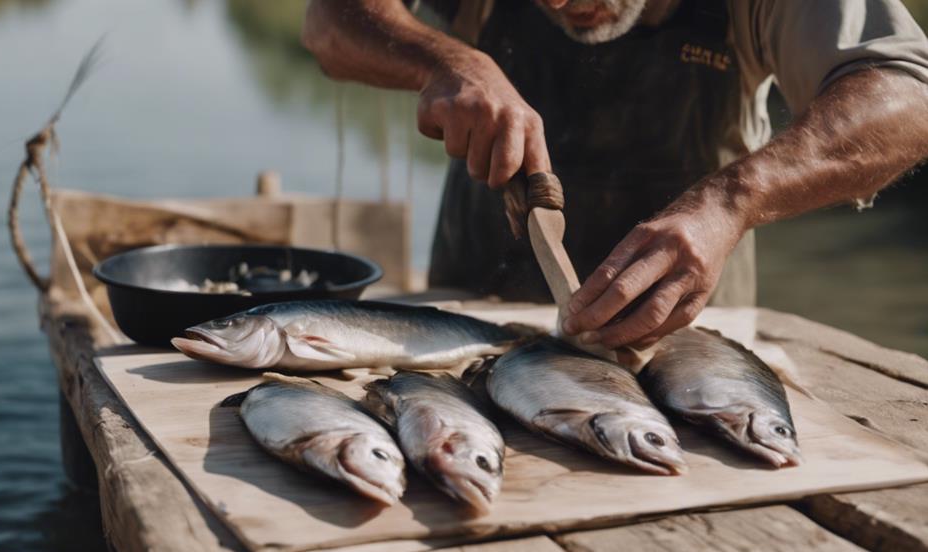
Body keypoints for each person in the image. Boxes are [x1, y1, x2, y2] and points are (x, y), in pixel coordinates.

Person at [302, 0, 928, 348]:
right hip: (466, 336)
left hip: (689, 345)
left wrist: (734, 199)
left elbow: (906, 98)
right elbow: (330, 22)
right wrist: (442, 59)